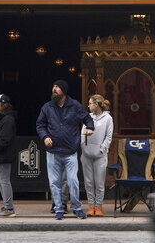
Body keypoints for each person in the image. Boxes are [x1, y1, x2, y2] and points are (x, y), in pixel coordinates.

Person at [36, 79, 94, 220]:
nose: (54, 89)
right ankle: (59, 209)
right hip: (53, 152)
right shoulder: (47, 107)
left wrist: (90, 128)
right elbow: (40, 125)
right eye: (53, 86)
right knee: (54, 182)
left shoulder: (74, 105)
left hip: (70, 151)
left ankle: (77, 208)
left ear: (64, 90)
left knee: (73, 181)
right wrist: (45, 137)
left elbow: (87, 118)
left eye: (57, 87)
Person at [80, 94, 114, 217]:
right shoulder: (88, 117)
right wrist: (84, 148)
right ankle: (91, 205)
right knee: (88, 181)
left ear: (96, 104)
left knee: (99, 182)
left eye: (90, 103)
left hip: (100, 154)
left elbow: (108, 136)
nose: (88, 105)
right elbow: (82, 133)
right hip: (87, 154)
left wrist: (102, 149)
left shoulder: (108, 118)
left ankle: (98, 205)